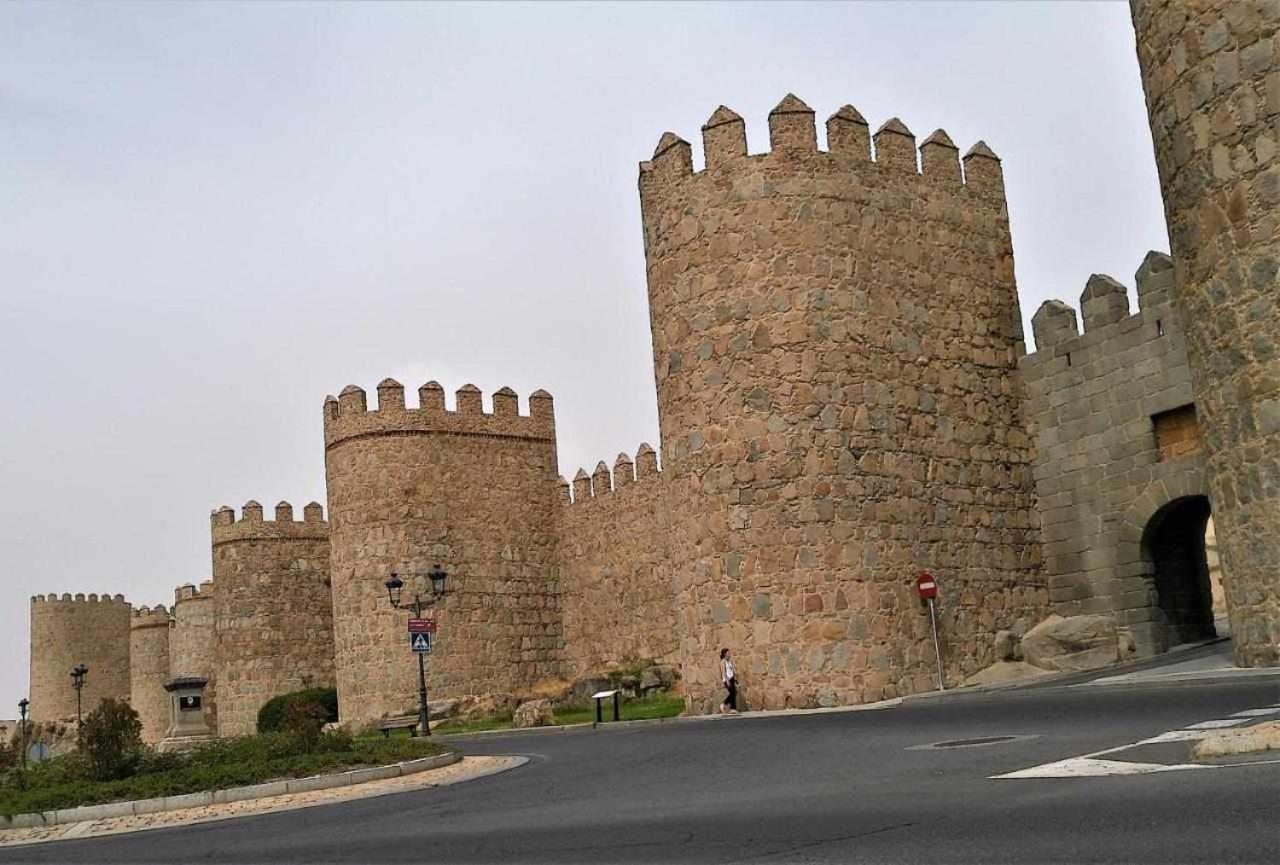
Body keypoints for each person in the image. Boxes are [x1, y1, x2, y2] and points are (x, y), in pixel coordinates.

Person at [719, 647, 738, 714]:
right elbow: (723, 672)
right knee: (732, 693)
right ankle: (724, 704)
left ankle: (733, 709)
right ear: (725, 654)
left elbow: (732, 670)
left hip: (732, 678)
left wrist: (735, 678)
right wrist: (727, 680)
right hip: (727, 679)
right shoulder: (723, 661)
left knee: (734, 693)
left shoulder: (729, 661)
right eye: (728, 653)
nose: (729, 654)